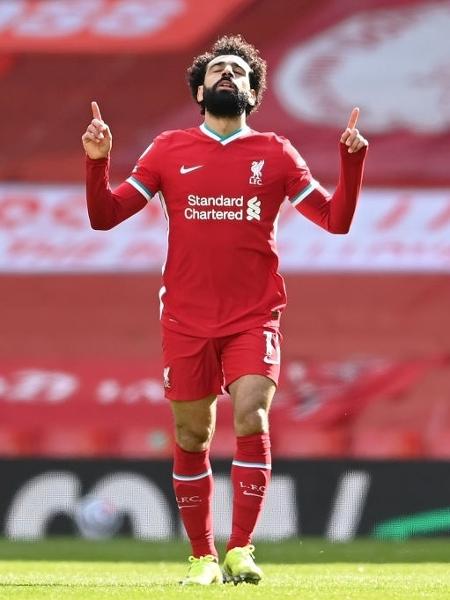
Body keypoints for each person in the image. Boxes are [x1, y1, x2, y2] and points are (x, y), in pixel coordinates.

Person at [82, 34, 368, 585]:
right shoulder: (167, 150)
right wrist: (98, 164)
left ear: (254, 91)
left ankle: (240, 549)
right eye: (218, 71)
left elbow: (336, 220)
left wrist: (350, 163)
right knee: (192, 436)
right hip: (185, 317)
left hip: (253, 315)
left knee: (252, 414)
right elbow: (105, 216)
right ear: (199, 89)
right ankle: (202, 558)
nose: (228, 76)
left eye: (238, 71)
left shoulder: (276, 154)